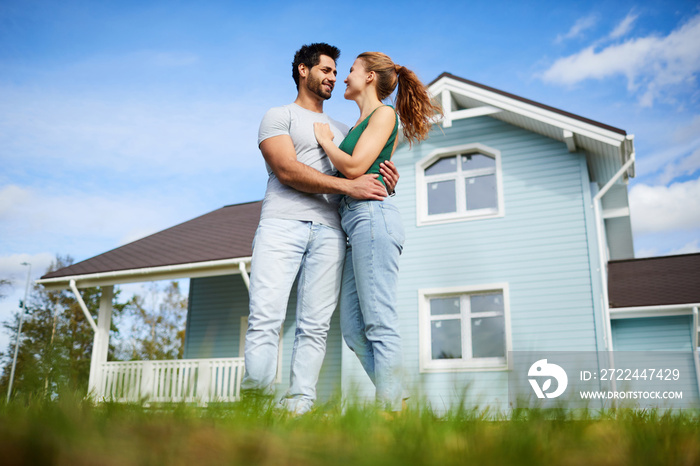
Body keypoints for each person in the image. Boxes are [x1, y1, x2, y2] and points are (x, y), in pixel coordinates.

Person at [241, 43, 400, 415]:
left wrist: (387, 178)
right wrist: (349, 185)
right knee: (266, 316)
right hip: (281, 224)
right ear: (302, 70)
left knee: (314, 327)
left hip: (331, 233)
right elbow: (287, 170)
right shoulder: (278, 116)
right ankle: (255, 404)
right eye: (326, 70)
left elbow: (364, 168)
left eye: (336, 71)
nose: (333, 77)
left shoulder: (344, 129)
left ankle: (300, 405)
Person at [314, 52, 440, 411]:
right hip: (357, 226)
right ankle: (400, 402)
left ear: (369, 77)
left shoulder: (385, 115)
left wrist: (325, 142)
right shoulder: (358, 126)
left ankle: (391, 412)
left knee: (380, 322)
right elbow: (372, 174)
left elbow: (354, 168)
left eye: (350, 70)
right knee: (354, 331)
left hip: (373, 220)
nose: (343, 77)